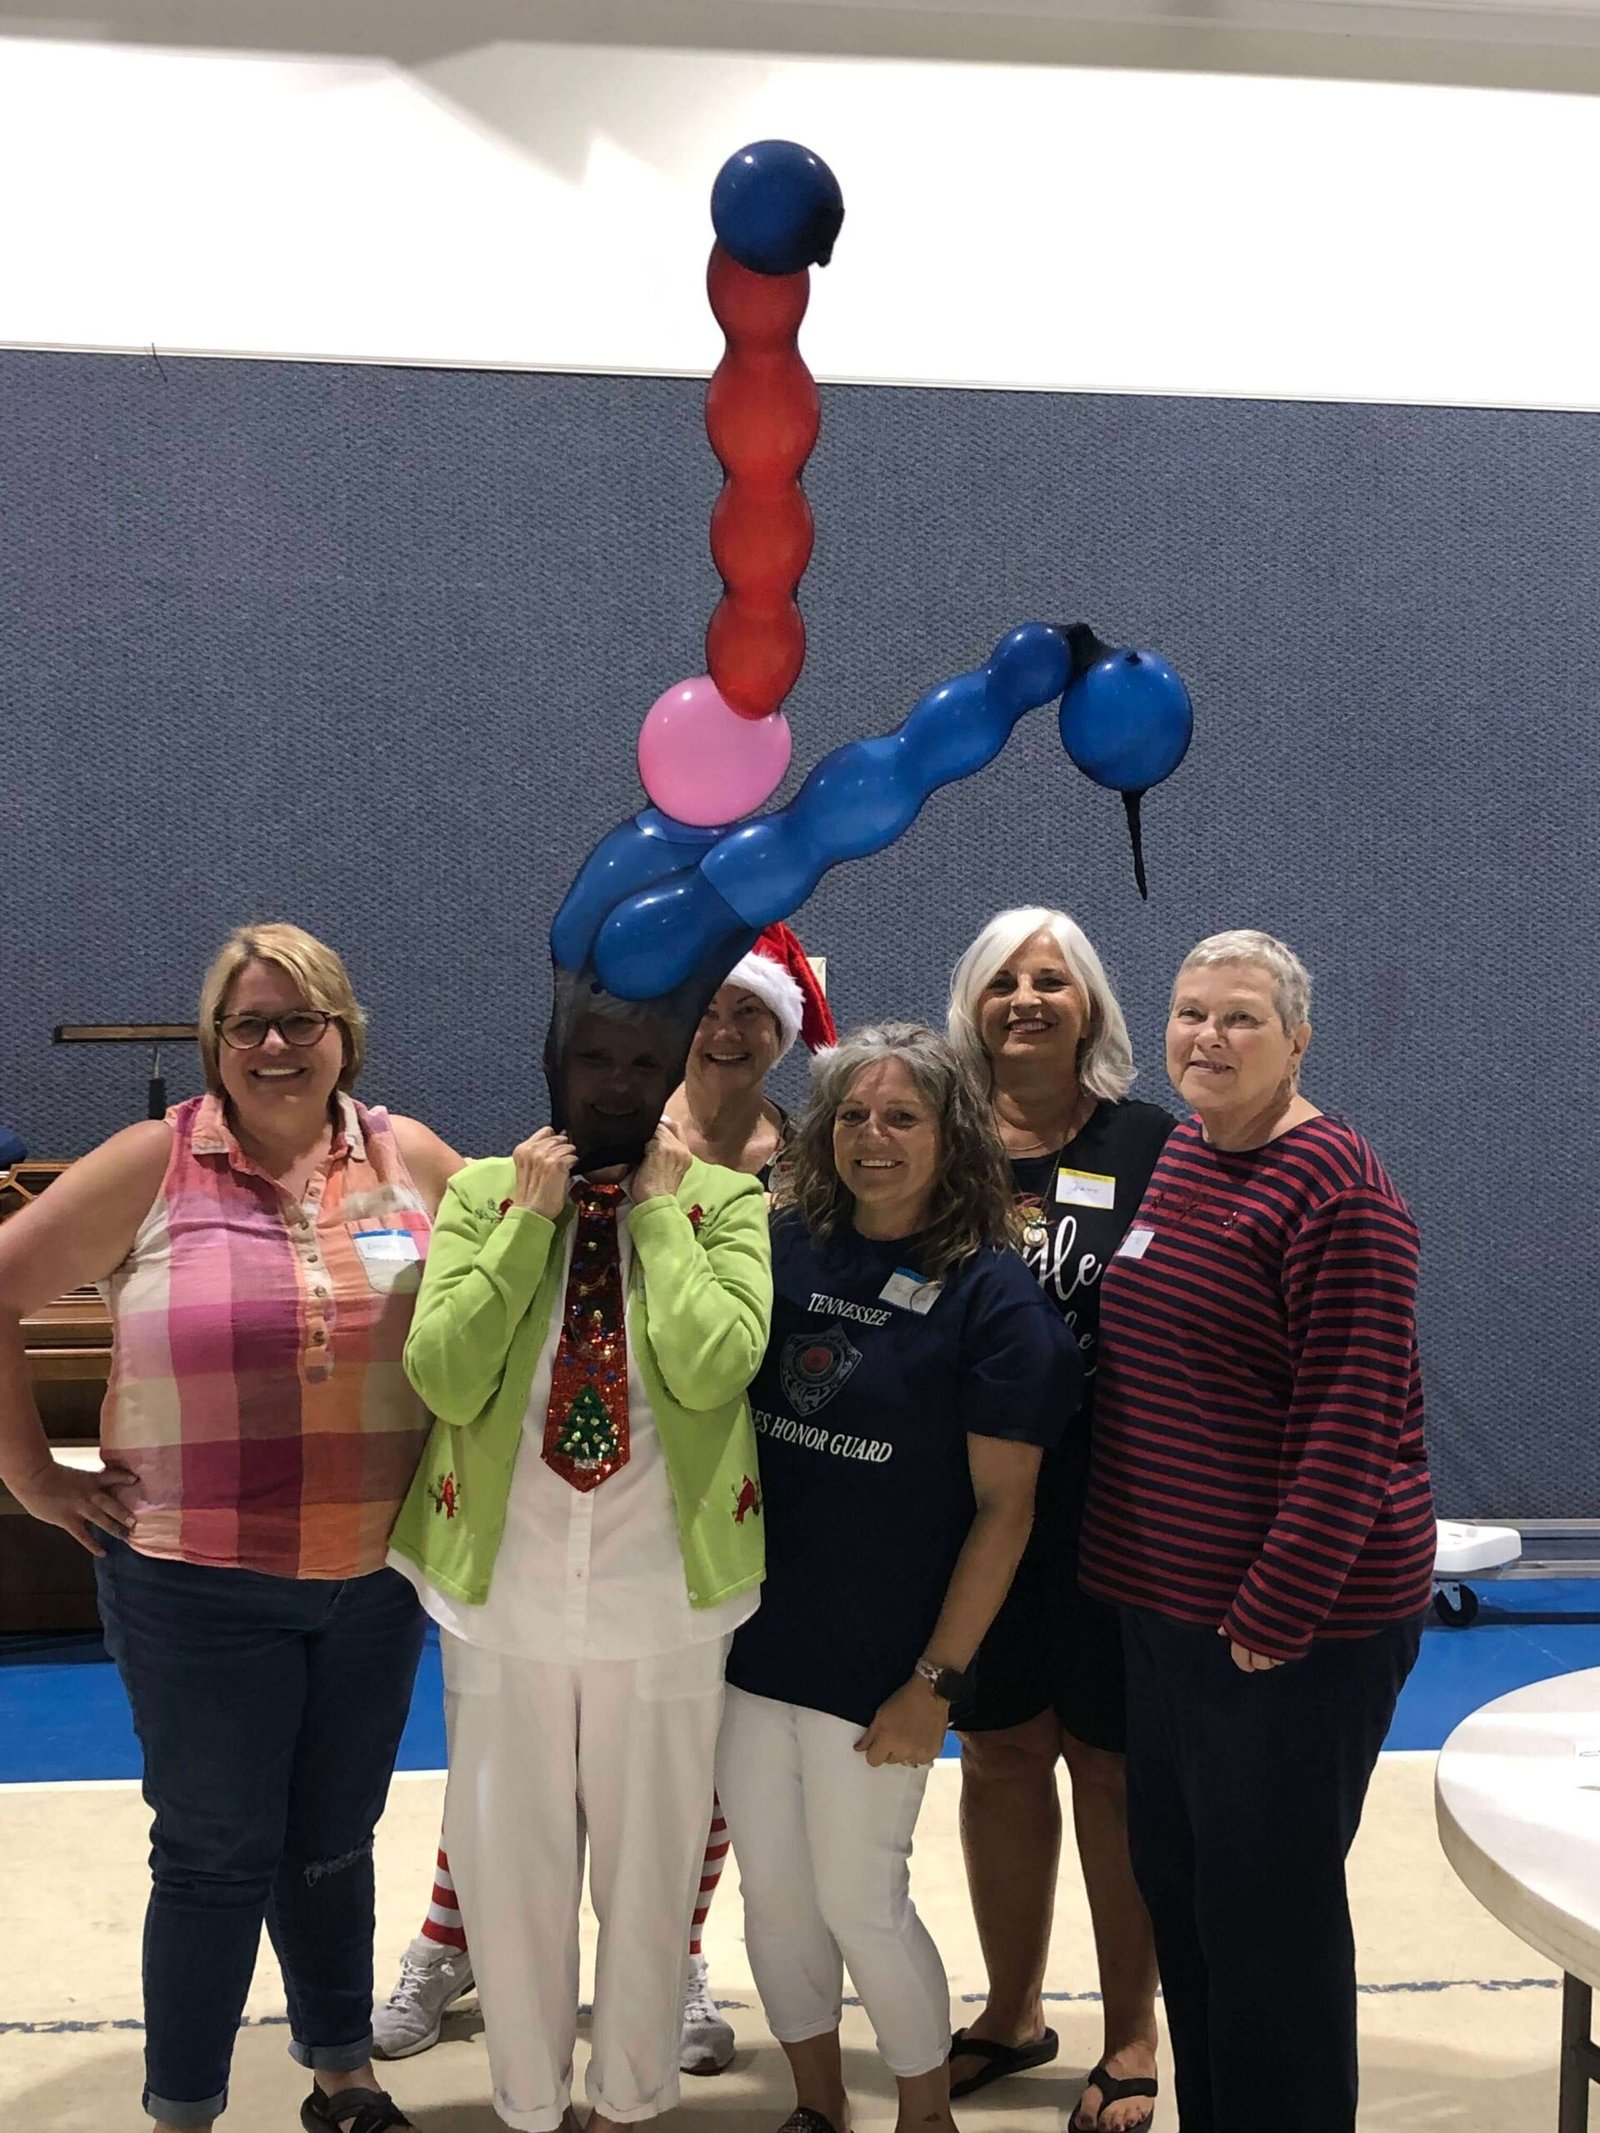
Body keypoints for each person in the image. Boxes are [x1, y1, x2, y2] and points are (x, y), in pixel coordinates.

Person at [0, 922, 464, 2133]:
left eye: (301, 1020)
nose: (274, 1044)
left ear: (343, 1035)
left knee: (335, 1841)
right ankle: (185, 2112)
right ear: (214, 1042)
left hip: (374, 1580)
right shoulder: (151, 1164)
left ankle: (342, 2077)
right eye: (247, 1023)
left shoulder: (410, 1157)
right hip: (194, 1581)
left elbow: (516, 1287)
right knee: (214, 1854)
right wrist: (31, 1475)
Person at [374, 927, 833, 2074]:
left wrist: (661, 1217)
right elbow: (445, 1379)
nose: (619, 1083)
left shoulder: (725, 1202)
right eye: (595, 1059)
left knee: (654, 1860)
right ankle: (527, 2092)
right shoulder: (484, 1192)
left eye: (642, 1062)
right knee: (509, 1851)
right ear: (553, 1063)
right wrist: (530, 1224)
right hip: (506, 1585)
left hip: (663, 1587)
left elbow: (712, 1368)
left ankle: (631, 2091)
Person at [1080, 930, 1435, 2133]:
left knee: (1268, 1923)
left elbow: (1352, 1425)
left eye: (1240, 1018)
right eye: (1190, 1013)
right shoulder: (1188, 1150)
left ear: (1298, 1041)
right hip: (1165, 1609)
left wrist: (1277, 1610)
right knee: (1184, 1895)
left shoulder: (1339, 1192)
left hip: (1287, 1630)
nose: (1208, 1038)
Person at [716, 1024, 1083, 2133]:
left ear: (953, 1133)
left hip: (882, 1665)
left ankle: (923, 2115)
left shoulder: (996, 1300)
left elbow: (1006, 1511)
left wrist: (935, 1682)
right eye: (852, 1116)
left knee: (861, 1902)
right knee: (774, 1898)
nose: (872, 1137)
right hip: (753, 1643)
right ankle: (818, 2106)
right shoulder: (783, 1246)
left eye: (902, 1117)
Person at [943, 909, 1172, 2132]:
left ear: (1088, 1005)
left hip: (1113, 1504)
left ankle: (1132, 2029)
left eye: (1050, 980)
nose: (1025, 999)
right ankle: (1011, 2011)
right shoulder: (934, 1141)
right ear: (971, 1006)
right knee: (996, 1753)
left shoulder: (1149, 1144)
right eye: (1002, 982)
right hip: (973, 1510)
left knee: (1109, 1765)